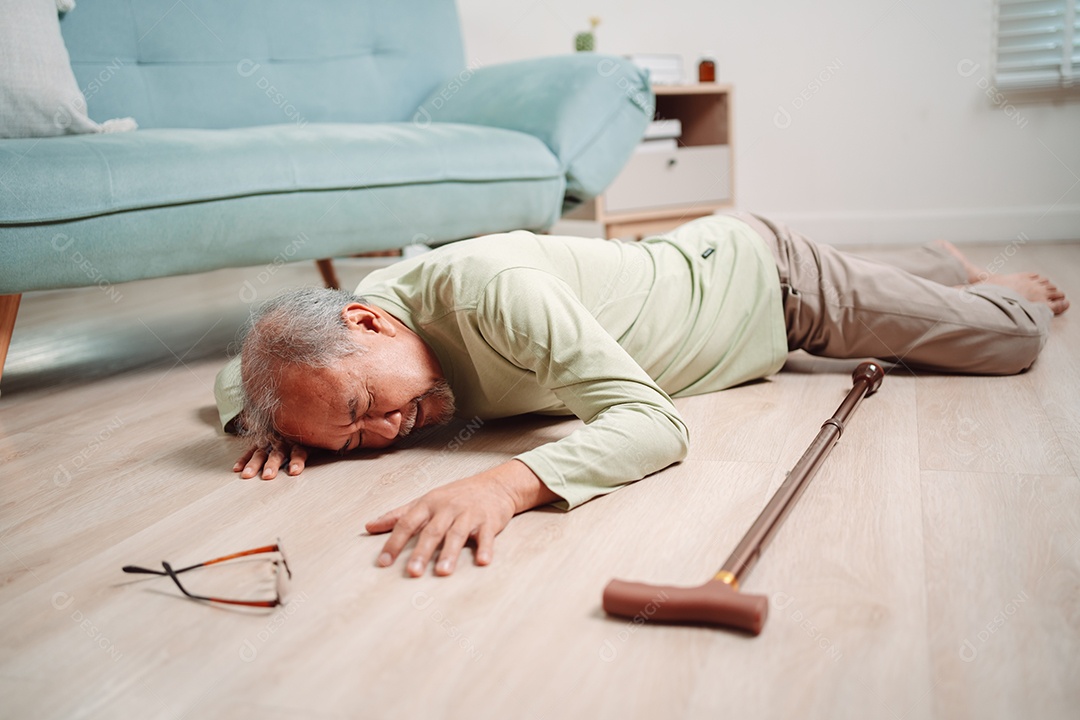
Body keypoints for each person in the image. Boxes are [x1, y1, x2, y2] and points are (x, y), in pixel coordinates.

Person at [213, 211, 1068, 578]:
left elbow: (651, 421)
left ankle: (984, 285)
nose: (385, 432)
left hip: (768, 285)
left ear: (369, 323)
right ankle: (936, 273)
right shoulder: (317, 345)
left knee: (1007, 340)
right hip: (687, 274)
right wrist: (279, 421)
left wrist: (501, 484)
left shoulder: (490, 291)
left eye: (364, 409)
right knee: (914, 305)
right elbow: (235, 370)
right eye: (354, 440)